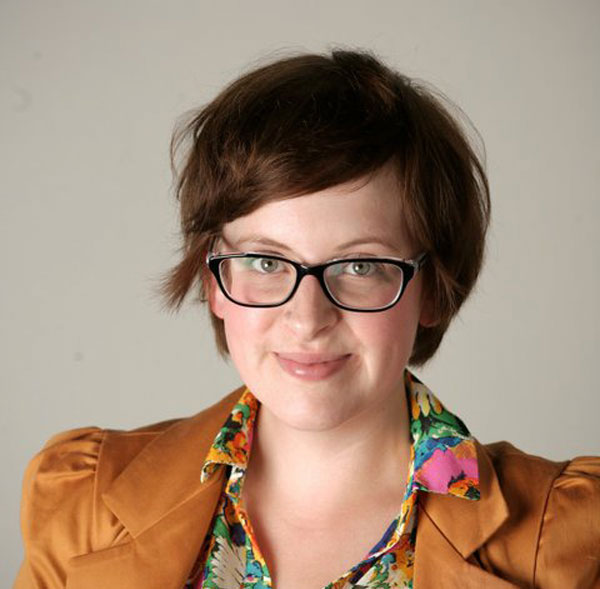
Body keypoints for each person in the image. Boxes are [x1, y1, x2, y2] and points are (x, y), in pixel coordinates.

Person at [14, 49, 599, 589]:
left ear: (434, 290)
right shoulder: (83, 504)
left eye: (361, 265)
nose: (307, 318)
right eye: (266, 261)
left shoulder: (566, 540)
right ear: (213, 280)